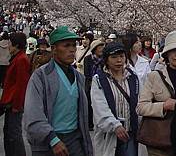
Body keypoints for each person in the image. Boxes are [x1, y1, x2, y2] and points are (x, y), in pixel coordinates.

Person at [24, 25, 94, 156]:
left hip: (74, 140)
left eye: (73, 45)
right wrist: (53, 139)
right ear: (54, 49)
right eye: (66, 46)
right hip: (49, 140)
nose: (72, 50)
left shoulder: (79, 77)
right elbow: (33, 113)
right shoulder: (41, 76)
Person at [91, 41, 140, 156]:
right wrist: (115, 125)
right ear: (106, 59)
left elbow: (139, 101)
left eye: (121, 56)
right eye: (114, 57)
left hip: (130, 133)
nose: (119, 60)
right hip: (109, 135)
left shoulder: (133, 77)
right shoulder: (99, 80)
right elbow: (100, 107)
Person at [0, 32, 31, 156]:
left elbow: (21, 85)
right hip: (10, 102)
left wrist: (17, 106)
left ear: (16, 45)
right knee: (9, 132)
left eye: (10, 44)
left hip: (14, 103)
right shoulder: (18, 58)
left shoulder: (21, 59)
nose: (8, 46)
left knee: (14, 134)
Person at [84, 39, 105, 130]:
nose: (101, 49)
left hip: (103, 83)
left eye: (102, 47)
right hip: (90, 83)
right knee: (89, 104)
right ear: (94, 49)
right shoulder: (88, 59)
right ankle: (89, 124)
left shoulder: (105, 59)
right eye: (99, 47)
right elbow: (87, 73)